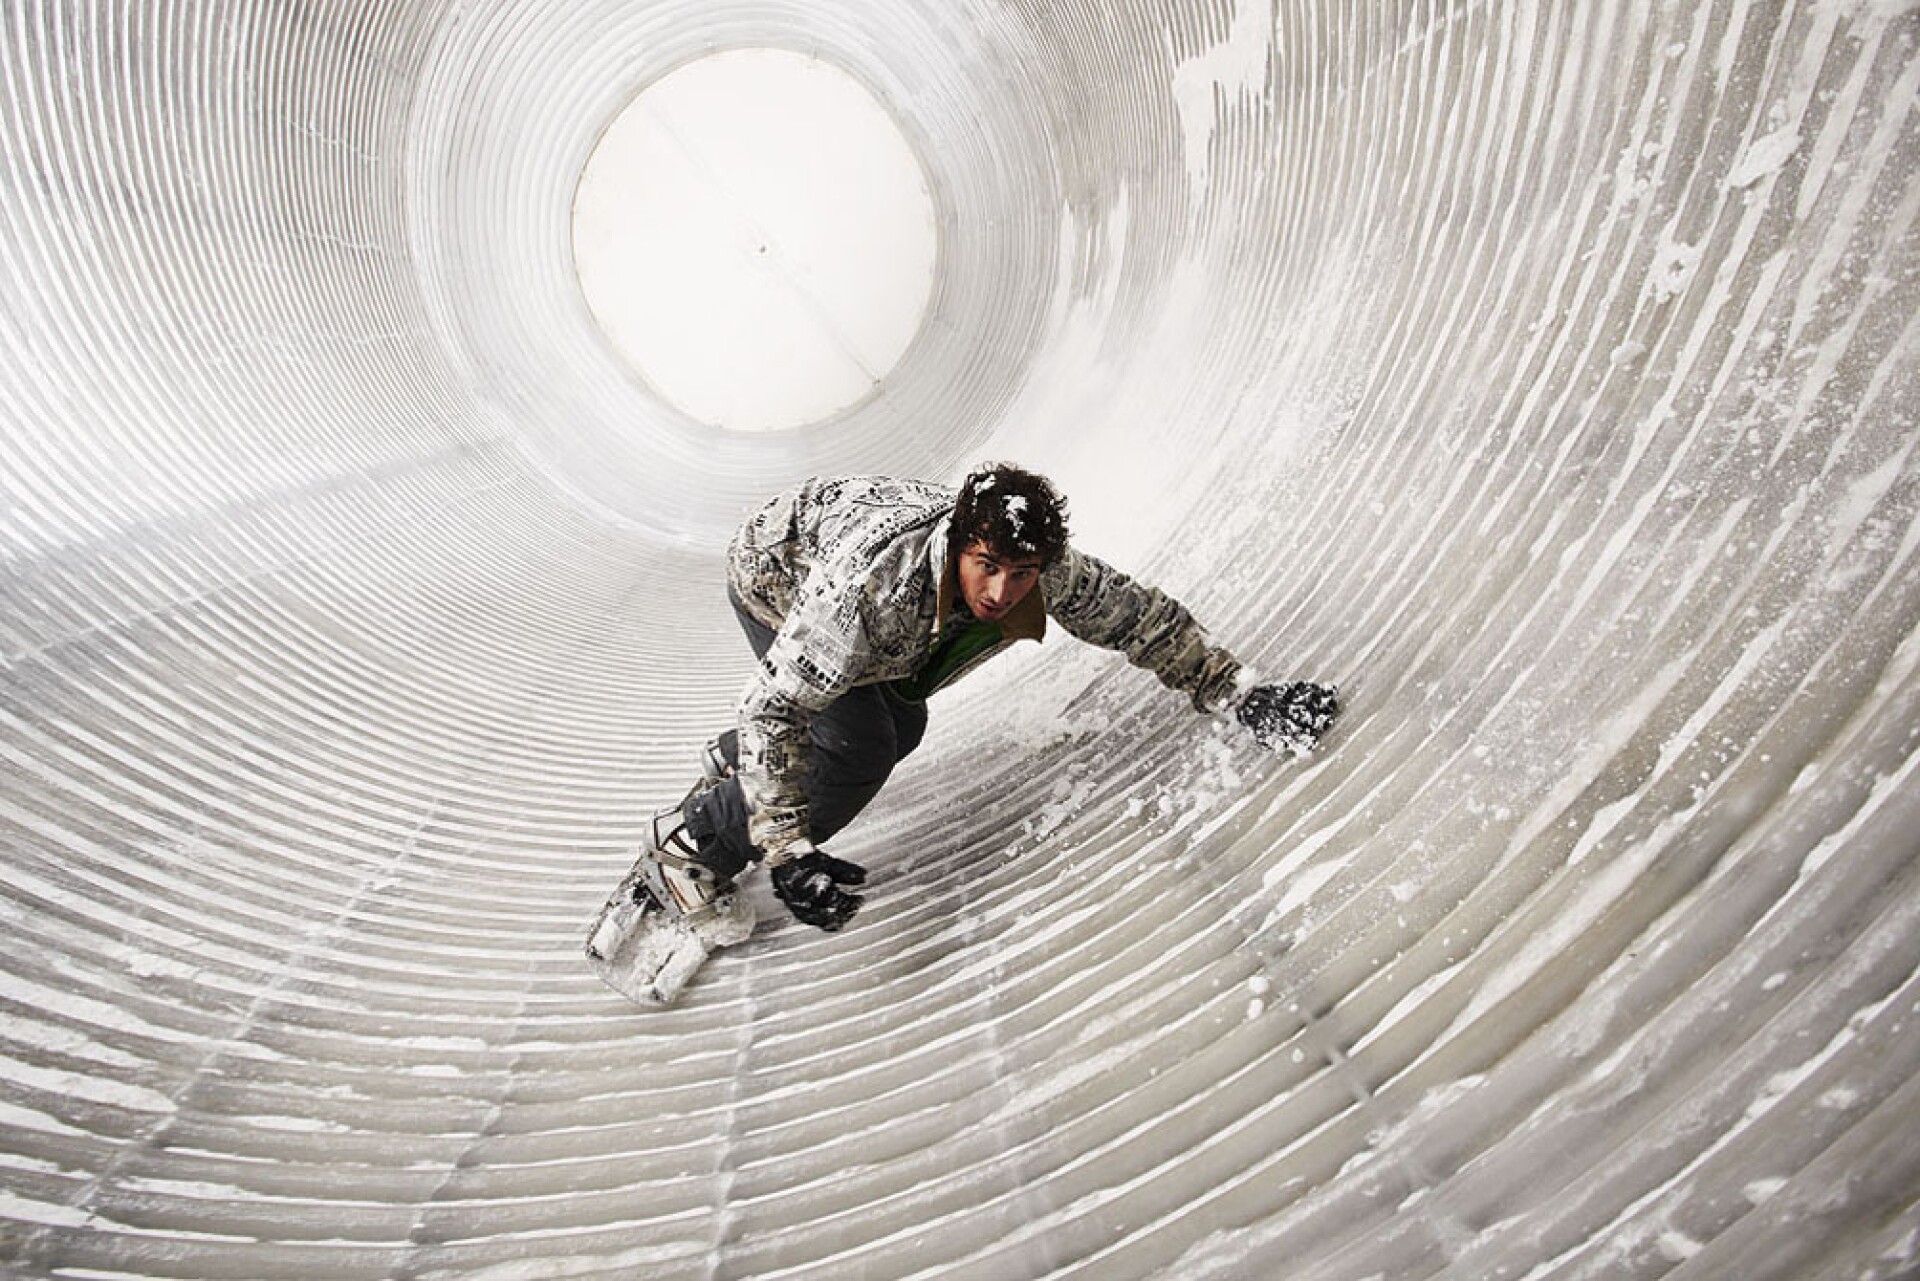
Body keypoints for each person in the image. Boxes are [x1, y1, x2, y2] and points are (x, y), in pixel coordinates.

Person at [638, 464, 1339, 937]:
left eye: (1021, 573)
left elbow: (1136, 619)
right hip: (777, 576)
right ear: (958, 545)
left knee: (902, 722)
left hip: (869, 609)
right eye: (989, 568)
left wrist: (1240, 692)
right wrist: (788, 851)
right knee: (858, 749)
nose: (1003, 592)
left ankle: (734, 763)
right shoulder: (864, 595)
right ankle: (694, 844)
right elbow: (775, 708)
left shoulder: (1047, 572)